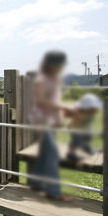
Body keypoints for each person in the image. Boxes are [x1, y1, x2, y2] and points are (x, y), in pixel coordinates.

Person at [29, 51, 75, 202]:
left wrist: (60, 115)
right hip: (41, 120)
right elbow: (41, 100)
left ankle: (36, 183)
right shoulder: (42, 80)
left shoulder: (54, 80)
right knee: (52, 153)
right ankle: (53, 191)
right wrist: (62, 108)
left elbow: (54, 100)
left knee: (44, 153)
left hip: (49, 121)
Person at [67, 93, 103, 162]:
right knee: (77, 140)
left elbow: (89, 121)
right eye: (91, 108)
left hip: (86, 128)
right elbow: (74, 123)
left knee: (88, 137)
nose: (93, 110)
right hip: (76, 128)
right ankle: (71, 153)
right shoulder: (79, 112)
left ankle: (86, 147)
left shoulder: (92, 111)